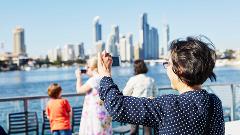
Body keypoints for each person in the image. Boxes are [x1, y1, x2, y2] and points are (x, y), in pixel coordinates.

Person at [97, 36, 225, 135]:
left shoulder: (168, 105)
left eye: (168, 64)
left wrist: (105, 75)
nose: (166, 68)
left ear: (179, 69)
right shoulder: (215, 102)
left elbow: (117, 107)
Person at [75, 57, 112, 135]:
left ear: (92, 67)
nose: (86, 69)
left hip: (94, 114)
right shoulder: (104, 78)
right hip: (104, 111)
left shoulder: (93, 80)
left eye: (87, 67)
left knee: (95, 131)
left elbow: (79, 90)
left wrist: (78, 77)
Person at [123, 59, 157, 135]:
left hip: (135, 108)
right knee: (147, 132)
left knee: (134, 131)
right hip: (148, 108)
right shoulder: (151, 80)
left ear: (135, 68)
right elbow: (155, 94)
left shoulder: (133, 79)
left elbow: (125, 93)